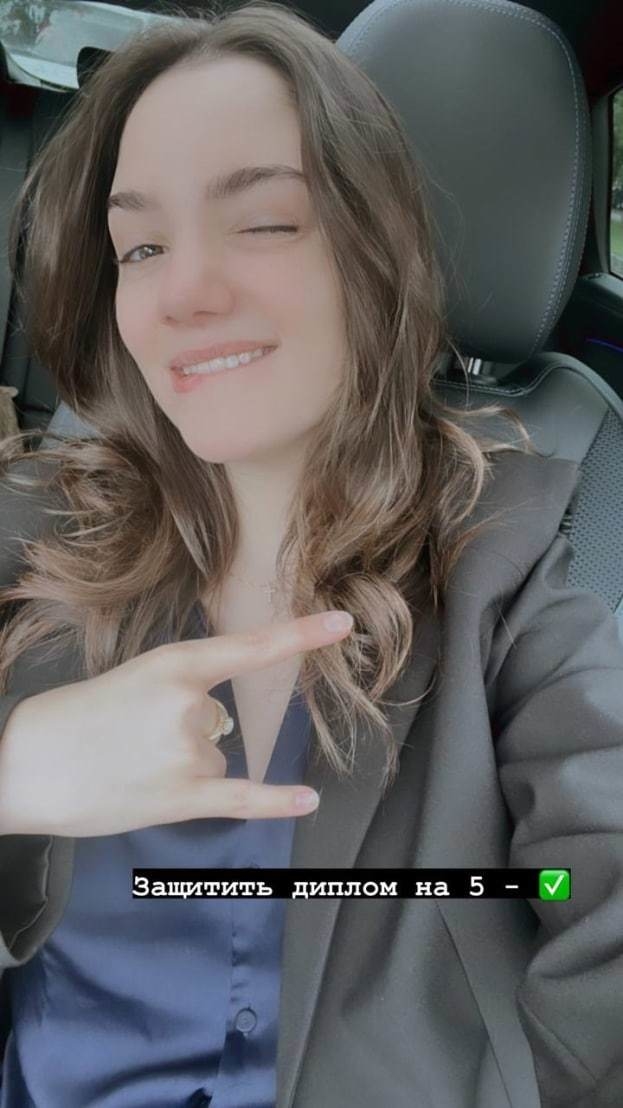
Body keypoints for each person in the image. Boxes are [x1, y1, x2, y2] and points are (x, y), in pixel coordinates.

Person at [0, 2, 621, 1106]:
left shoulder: (522, 552)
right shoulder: (35, 531)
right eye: (142, 246)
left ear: (373, 252)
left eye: (264, 222)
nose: (183, 293)